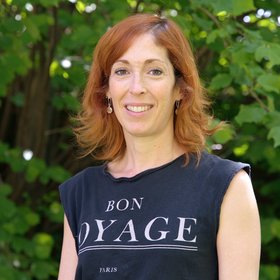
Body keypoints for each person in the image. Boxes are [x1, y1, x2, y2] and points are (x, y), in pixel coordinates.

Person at [58, 13, 260, 280]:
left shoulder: (226, 186)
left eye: (154, 71)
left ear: (180, 89)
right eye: (122, 71)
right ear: (106, 90)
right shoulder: (81, 193)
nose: (136, 87)